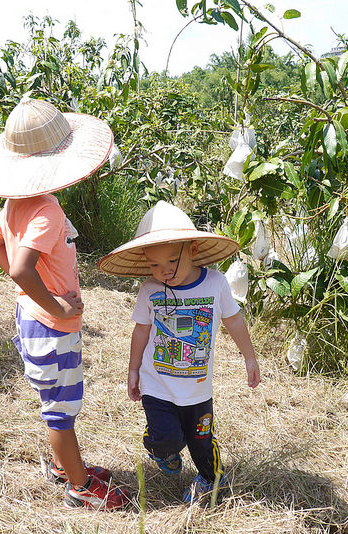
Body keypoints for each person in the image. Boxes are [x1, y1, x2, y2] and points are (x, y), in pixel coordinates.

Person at [0, 97, 129, 510]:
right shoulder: (44, 211)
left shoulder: (15, 204)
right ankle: (80, 487)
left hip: (32, 318)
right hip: (51, 326)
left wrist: (34, 293)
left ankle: (68, 466)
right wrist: (58, 305)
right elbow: (20, 269)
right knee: (60, 410)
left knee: (58, 403)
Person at [98, 201, 261, 503]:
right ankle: (161, 448)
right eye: (155, 265)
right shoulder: (150, 289)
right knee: (167, 439)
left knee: (201, 441)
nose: (164, 272)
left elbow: (234, 320)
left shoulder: (215, 283)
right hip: (156, 384)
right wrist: (133, 370)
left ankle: (211, 479)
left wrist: (249, 357)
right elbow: (142, 330)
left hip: (197, 388)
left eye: (172, 262)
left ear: (194, 250)